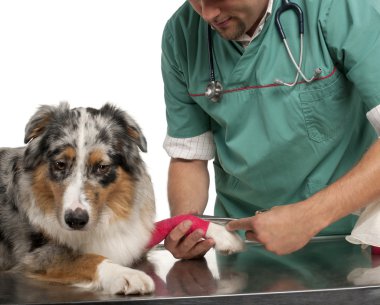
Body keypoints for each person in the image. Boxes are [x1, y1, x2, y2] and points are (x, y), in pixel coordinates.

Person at [161, 0, 380, 259]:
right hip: (243, 248)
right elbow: (189, 156)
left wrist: (311, 216)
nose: (207, 14)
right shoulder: (182, 32)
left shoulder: (340, 8)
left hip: (349, 242)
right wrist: (187, 228)